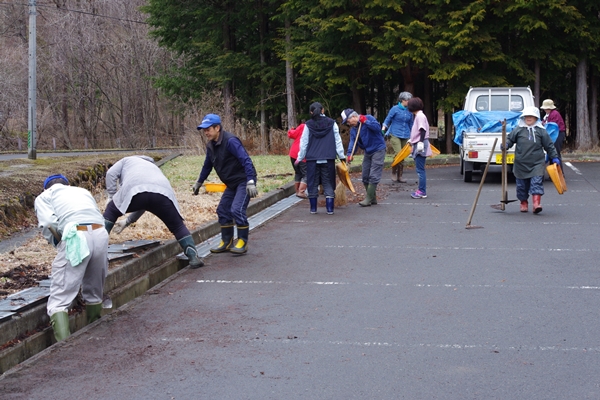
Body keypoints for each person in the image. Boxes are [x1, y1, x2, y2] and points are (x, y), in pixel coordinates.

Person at [34, 174, 109, 341]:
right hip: (100, 233)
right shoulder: (82, 191)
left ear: (46, 187)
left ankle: (64, 346)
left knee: (60, 299)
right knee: (94, 291)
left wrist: (58, 241)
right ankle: (95, 337)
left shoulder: (45, 195)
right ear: (67, 185)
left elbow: (47, 223)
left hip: (76, 235)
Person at [103, 155, 204, 268]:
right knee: (177, 226)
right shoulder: (153, 167)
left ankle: (98, 247)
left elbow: (111, 174)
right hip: (163, 192)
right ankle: (193, 257)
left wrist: (111, 196)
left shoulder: (126, 160)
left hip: (134, 187)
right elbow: (145, 203)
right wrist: (127, 221)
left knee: (111, 211)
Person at [192, 113, 258, 254]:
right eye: (204, 130)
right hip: (231, 183)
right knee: (223, 210)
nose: (206, 133)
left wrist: (251, 181)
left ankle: (242, 242)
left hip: (244, 180)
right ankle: (227, 241)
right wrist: (199, 182)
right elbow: (207, 166)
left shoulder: (230, 141)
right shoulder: (211, 145)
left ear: (217, 128)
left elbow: (246, 160)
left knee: (237, 209)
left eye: (208, 129)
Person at [504, 106, 560, 214]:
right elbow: (510, 139)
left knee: (536, 183)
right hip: (521, 163)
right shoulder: (518, 130)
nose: (529, 118)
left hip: (537, 163)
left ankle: (536, 204)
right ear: (523, 117)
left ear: (536, 118)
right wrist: (506, 144)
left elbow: (549, 145)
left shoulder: (541, 131)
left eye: (531, 116)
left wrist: (554, 157)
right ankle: (523, 202)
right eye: (527, 116)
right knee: (521, 186)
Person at [296, 102, 346, 215]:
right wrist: (342, 156)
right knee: (328, 182)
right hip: (328, 158)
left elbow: (304, 143)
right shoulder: (332, 123)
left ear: (311, 112)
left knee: (313, 183)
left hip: (312, 159)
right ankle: (330, 209)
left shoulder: (308, 125)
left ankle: (313, 209)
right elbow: (337, 141)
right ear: (323, 110)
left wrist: (299, 158)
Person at [341, 108, 386, 206]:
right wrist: (349, 154)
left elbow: (377, 128)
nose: (348, 124)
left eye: (348, 121)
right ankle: (373, 199)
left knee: (374, 175)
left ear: (353, 117)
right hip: (368, 151)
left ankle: (368, 198)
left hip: (378, 149)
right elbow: (353, 142)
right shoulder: (354, 130)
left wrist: (365, 121)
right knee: (365, 176)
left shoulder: (368, 118)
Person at [382, 91, 414, 182]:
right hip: (395, 134)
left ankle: (400, 176)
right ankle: (393, 172)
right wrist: (383, 129)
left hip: (406, 135)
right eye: (408, 100)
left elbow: (411, 124)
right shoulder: (395, 109)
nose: (409, 102)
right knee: (399, 153)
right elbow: (387, 119)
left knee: (403, 155)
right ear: (403, 100)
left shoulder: (410, 110)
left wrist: (413, 135)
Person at [407, 97, 432, 199]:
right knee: (419, 169)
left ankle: (422, 191)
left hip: (420, 144)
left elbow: (422, 130)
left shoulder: (420, 116)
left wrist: (420, 142)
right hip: (418, 143)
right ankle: (421, 190)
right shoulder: (418, 115)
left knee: (420, 169)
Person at [540, 99, 566, 167]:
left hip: (558, 134)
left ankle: (559, 174)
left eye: (546, 108)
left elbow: (552, 127)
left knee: (555, 154)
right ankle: (552, 175)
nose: (545, 109)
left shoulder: (554, 114)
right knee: (552, 153)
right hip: (553, 135)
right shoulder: (547, 115)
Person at [288, 122, 307, 198]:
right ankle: (301, 191)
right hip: (303, 155)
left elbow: (291, 134)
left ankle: (297, 191)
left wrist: (292, 129)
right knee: (307, 174)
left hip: (293, 153)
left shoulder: (302, 126)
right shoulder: (311, 128)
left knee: (298, 172)